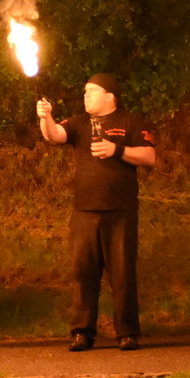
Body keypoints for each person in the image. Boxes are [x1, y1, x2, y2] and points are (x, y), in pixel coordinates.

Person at [37, 73, 156, 351]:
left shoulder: (130, 122)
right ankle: (82, 332)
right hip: (85, 210)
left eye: (92, 90)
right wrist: (46, 117)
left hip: (121, 209)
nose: (86, 95)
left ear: (110, 96)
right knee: (83, 273)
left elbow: (150, 157)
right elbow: (54, 136)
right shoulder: (79, 122)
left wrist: (116, 150)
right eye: (85, 90)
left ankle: (127, 333)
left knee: (122, 274)